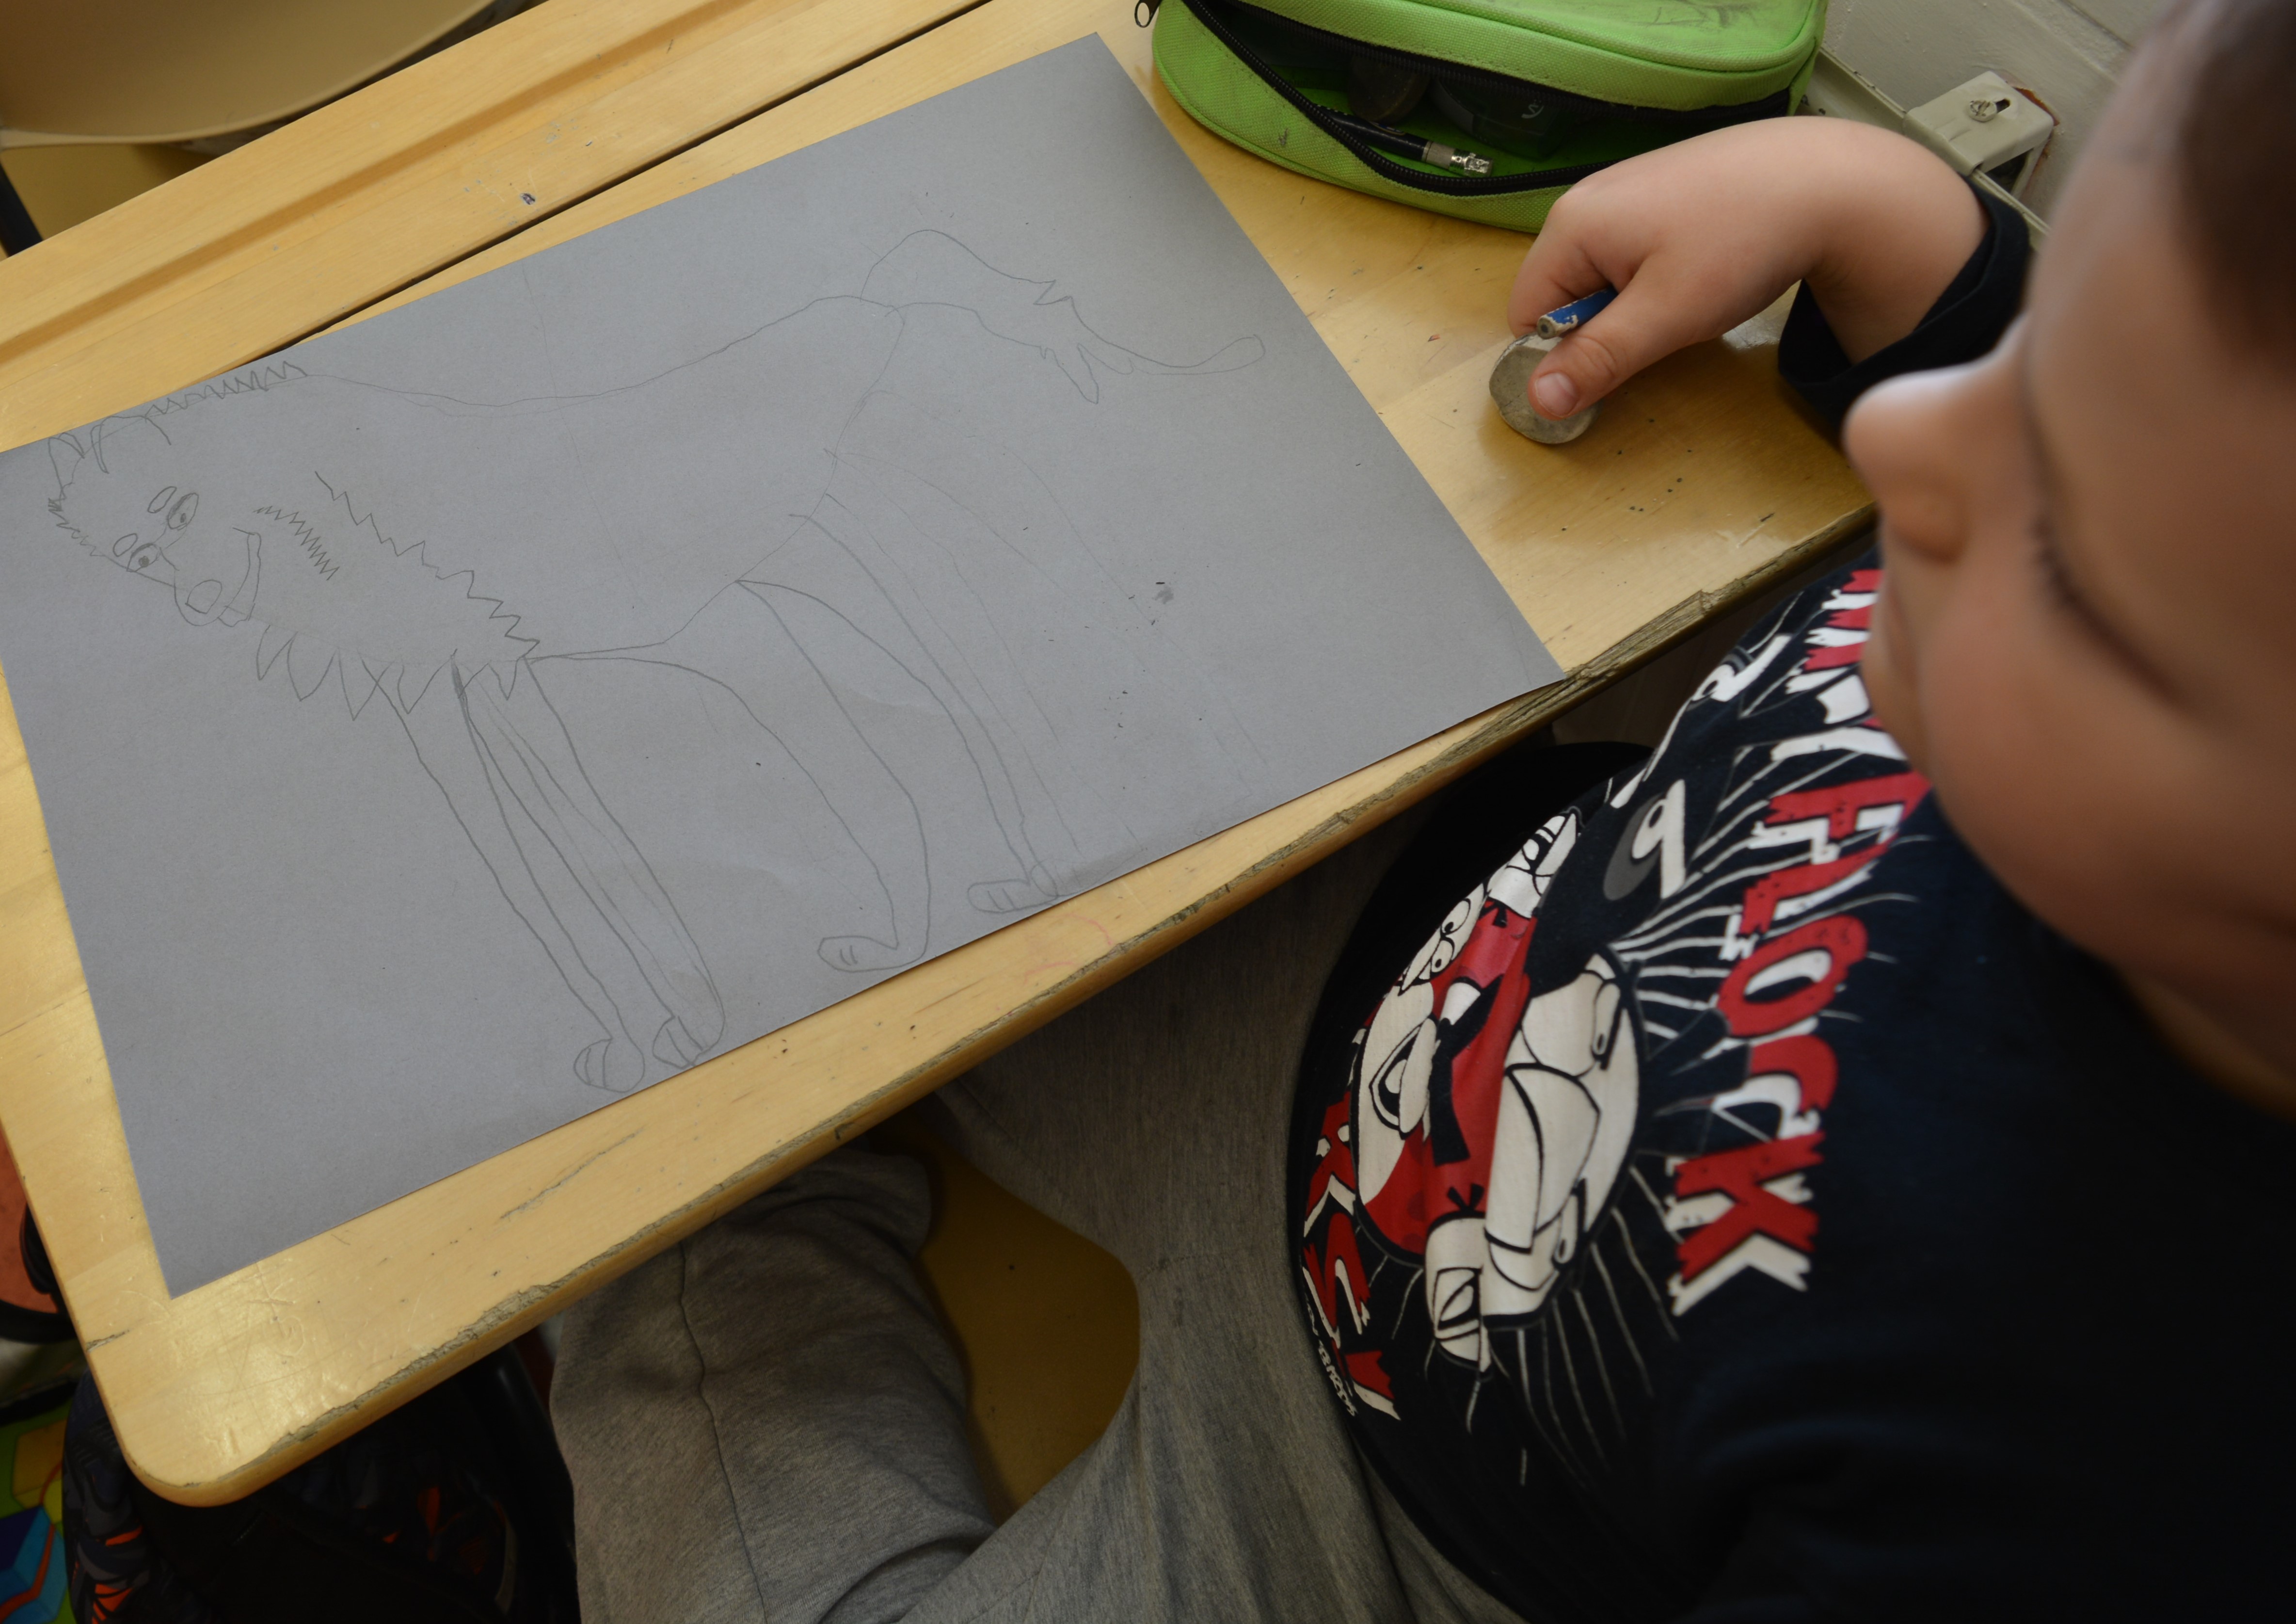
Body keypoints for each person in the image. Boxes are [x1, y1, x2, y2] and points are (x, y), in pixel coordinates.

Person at [547, 0, 2296, 1617]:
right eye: (2044, 370)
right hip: (1394, 964)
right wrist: (1875, 210)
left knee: (613, 1158)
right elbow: (2083, 384)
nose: (1914, 447)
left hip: (1376, 1508)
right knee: (757, 861)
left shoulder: (2080, 1496)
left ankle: (696, 1251)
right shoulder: (2184, 549)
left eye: (2075, 558)